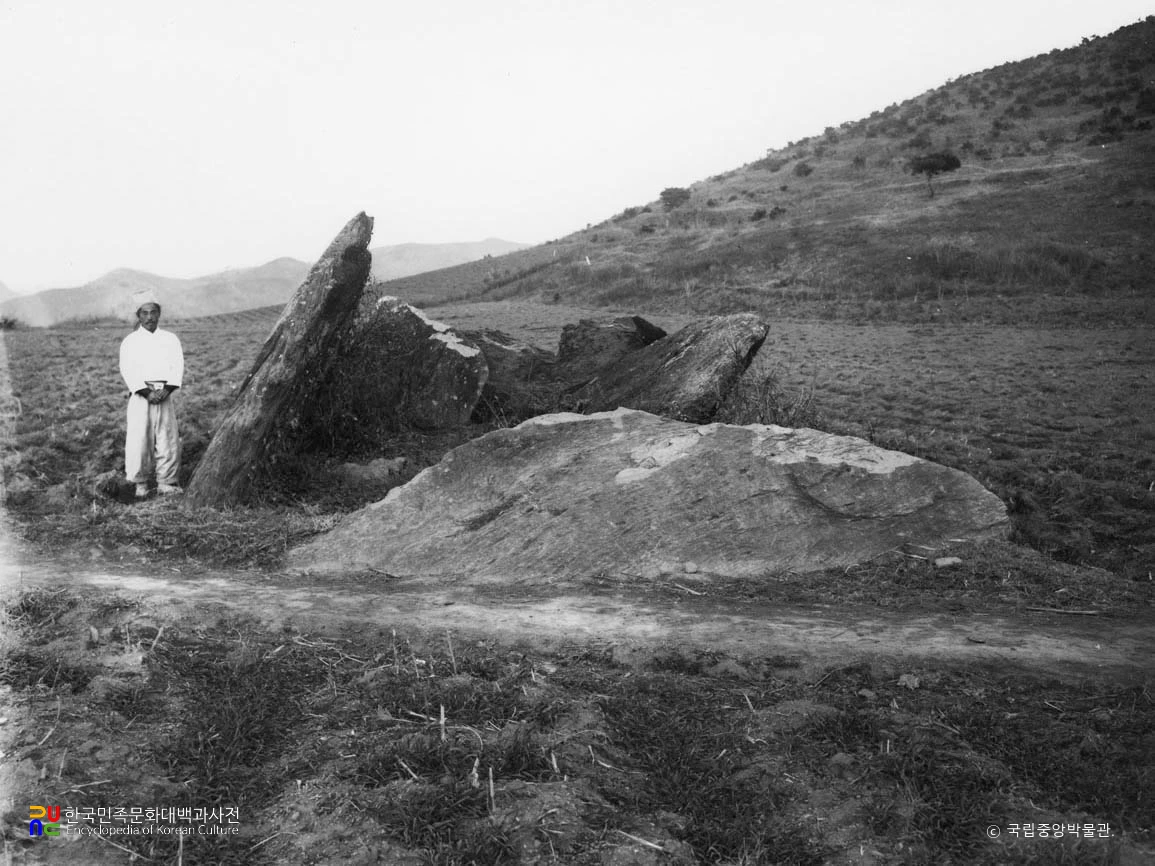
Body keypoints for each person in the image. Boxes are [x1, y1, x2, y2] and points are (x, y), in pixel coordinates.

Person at [118, 293, 184, 498]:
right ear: (138, 316)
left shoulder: (170, 339)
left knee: (167, 438)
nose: (149, 317)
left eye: (153, 312)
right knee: (139, 439)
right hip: (141, 396)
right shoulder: (130, 341)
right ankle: (140, 483)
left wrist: (167, 389)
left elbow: (177, 365)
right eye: (145, 313)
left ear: (159, 314)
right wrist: (147, 393)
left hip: (164, 394)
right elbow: (127, 369)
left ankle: (166, 481)